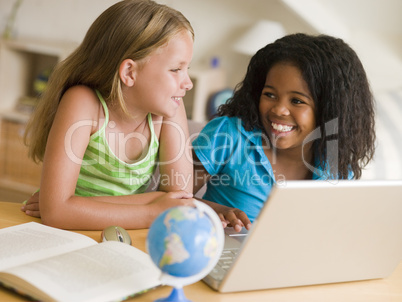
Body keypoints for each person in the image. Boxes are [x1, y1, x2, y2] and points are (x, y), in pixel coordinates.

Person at [21, 0, 195, 230]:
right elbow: (55, 215)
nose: (188, 83)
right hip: (61, 233)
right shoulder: (84, 103)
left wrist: (72, 206)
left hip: (119, 234)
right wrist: (151, 211)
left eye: (188, 69)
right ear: (129, 72)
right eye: (176, 69)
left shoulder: (169, 110)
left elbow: (181, 199)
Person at [192, 33, 376, 231]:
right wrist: (212, 210)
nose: (279, 109)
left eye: (297, 101)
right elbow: (169, 199)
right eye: (269, 94)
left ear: (329, 110)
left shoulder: (336, 167)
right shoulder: (229, 136)